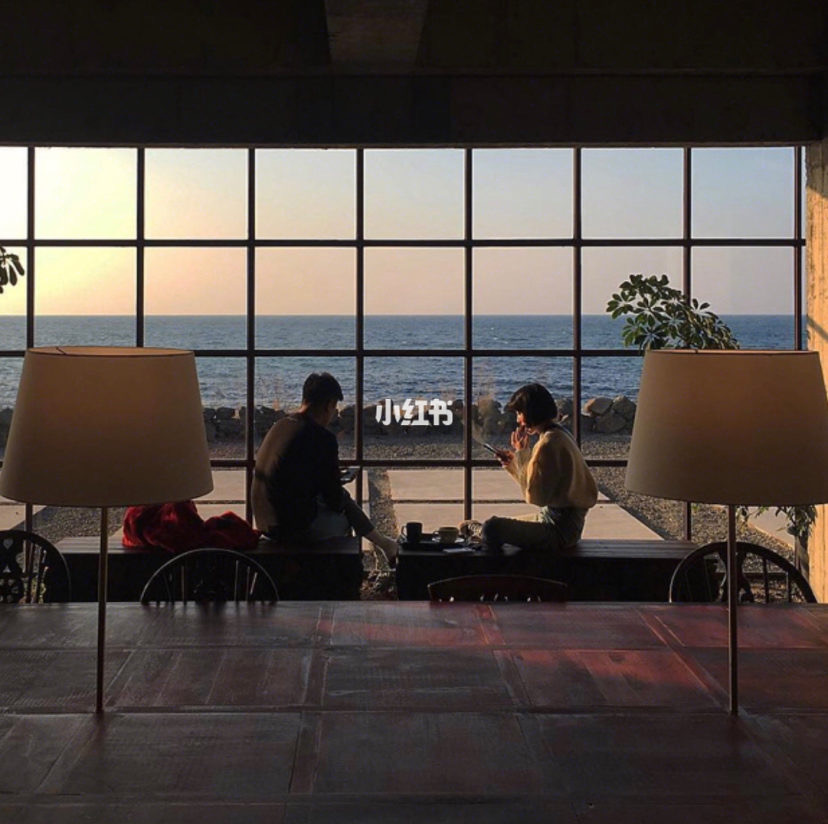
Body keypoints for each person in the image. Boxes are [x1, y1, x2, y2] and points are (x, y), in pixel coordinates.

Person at [251, 372, 399, 565]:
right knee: (344, 516)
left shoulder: (281, 425)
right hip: (293, 528)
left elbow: (293, 475)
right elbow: (334, 499)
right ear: (329, 405)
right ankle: (341, 578)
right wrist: (337, 479)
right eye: (334, 408)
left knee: (342, 499)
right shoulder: (322, 437)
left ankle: (383, 544)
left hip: (263, 520)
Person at [481, 383, 597, 554]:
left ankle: (485, 545)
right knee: (498, 525)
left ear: (529, 413)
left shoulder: (548, 444)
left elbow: (536, 496)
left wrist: (521, 453)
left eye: (519, 413)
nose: (518, 419)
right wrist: (514, 463)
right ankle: (480, 533)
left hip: (557, 530)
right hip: (563, 523)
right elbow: (537, 482)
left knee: (492, 526)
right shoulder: (560, 433)